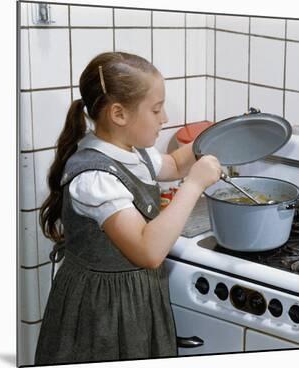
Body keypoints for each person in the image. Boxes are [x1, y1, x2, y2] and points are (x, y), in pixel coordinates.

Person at [34, 52, 221, 365]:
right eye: (156, 109)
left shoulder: (133, 153)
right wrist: (194, 184)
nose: (163, 119)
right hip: (101, 309)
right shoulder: (95, 178)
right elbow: (148, 251)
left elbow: (174, 164)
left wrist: (214, 136)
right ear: (119, 114)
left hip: (135, 299)